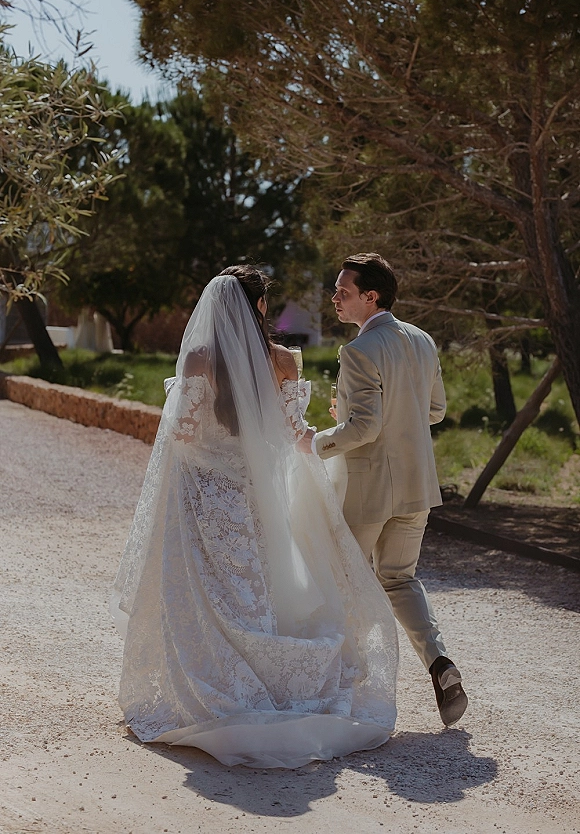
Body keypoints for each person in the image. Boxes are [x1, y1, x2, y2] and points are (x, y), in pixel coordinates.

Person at [110, 265, 399, 769]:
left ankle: (212, 678)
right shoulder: (284, 360)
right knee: (259, 579)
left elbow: (183, 433)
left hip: (205, 488)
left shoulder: (199, 358)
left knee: (204, 586)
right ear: (260, 307)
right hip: (256, 488)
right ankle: (274, 673)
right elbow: (292, 432)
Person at [297, 253, 468, 727]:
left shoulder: (359, 351)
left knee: (342, 581)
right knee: (399, 578)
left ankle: (340, 688)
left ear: (371, 297)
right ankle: (440, 664)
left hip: (369, 488)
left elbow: (366, 428)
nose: (334, 298)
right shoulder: (422, 339)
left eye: (343, 291)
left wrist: (316, 441)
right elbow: (433, 410)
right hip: (417, 484)